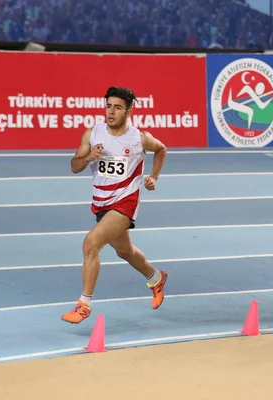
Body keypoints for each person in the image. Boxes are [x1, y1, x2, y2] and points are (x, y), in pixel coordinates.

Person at [61, 86, 168, 324]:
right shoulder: (93, 134)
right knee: (124, 251)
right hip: (101, 203)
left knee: (91, 244)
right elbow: (74, 166)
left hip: (125, 202)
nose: (111, 111)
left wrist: (154, 176)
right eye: (108, 106)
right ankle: (156, 278)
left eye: (117, 107)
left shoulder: (139, 138)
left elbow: (161, 149)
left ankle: (84, 305)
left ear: (128, 111)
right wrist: (88, 158)